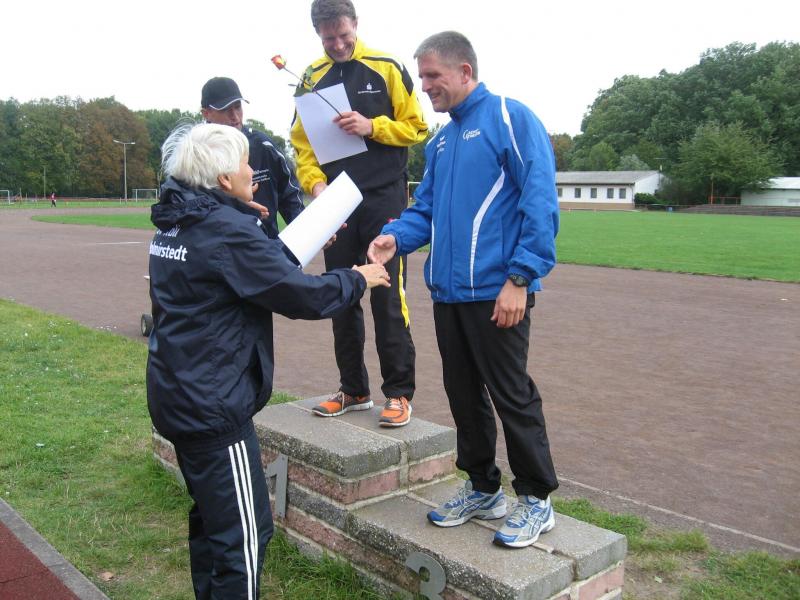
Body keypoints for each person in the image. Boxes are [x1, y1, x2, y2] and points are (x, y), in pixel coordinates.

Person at [146, 122, 390, 598]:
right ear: (222, 179)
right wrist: (357, 278)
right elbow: (300, 295)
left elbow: (245, 271)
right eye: (244, 163)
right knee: (244, 537)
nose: (251, 172)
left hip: (179, 394)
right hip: (212, 409)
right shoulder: (223, 231)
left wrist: (263, 227)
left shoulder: (180, 221)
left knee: (213, 525)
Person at [368, 31, 560, 549]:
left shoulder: (509, 117)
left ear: (464, 71)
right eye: (422, 77)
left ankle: (536, 498)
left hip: (499, 291)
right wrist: (395, 237)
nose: (426, 86)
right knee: (462, 393)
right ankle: (482, 487)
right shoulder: (441, 141)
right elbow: (426, 211)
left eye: (433, 76)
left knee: (511, 394)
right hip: (449, 293)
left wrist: (520, 278)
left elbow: (540, 201)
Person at [290, 0, 428, 427]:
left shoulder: (386, 67)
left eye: (343, 36)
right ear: (317, 33)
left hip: (384, 198)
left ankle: (399, 393)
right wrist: (316, 186)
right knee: (341, 291)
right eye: (328, 38)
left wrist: (373, 127)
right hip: (336, 202)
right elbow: (302, 147)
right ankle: (353, 389)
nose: (337, 44)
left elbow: (418, 126)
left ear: (356, 25)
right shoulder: (309, 78)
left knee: (386, 295)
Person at [201, 76, 304, 238]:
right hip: (219, 246)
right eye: (226, 109)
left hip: (266, 245)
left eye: (238, 107)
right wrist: (237, 204)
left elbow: (290, 195)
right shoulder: (196, 154)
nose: (235, 116)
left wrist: (309, 233)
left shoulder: (263, 146)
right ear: (206, 113)